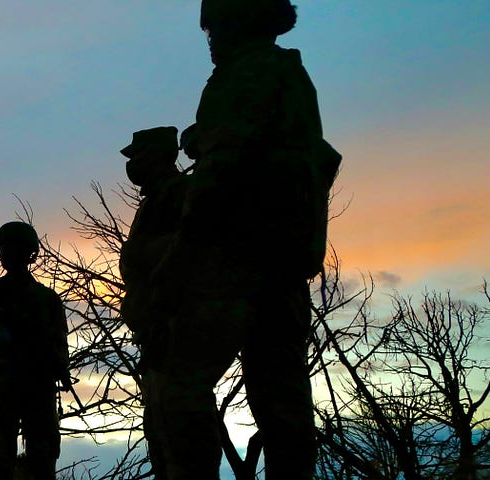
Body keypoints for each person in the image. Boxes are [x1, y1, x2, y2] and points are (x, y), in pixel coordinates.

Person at [126, 1, 342, 478]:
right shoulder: (289, 76)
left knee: (180, 385)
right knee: (282, 401)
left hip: (234, 263)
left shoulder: (244, 73)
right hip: (283, 263)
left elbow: (219, 179)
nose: (210, 40)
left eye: (214, 28)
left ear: (236, 22)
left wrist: (174, 264)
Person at [0, 221, 70, 480]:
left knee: (42, 459)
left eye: (15, 247)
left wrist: (56, 365)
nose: (9, 254)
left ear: (29, 252)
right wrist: (2, 316)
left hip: (38, 385)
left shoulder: (46, 299)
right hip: (3, 384)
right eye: (6, 247)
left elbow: (59, 347)